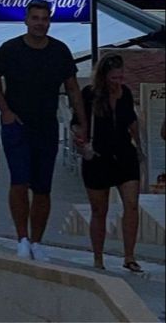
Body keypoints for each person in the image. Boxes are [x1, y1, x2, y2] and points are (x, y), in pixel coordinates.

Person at [0, 0, 86, 262]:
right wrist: (4, 111)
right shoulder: (10, 49)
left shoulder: (60, 51)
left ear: (49, 21)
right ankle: (21, 238)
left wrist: (81, 122)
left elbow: (73, 88)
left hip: (46, 126)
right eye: (35, 18)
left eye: (44, 18)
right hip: (17, 127)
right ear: (26, 20)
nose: (40, 23)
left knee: (43, 188)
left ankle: (37, 241)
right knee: (19, 182)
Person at [74, 53, 145, 273]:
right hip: (98, 156)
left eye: (120, 77)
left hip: (124, 154)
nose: (117, 82)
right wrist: (81, 143)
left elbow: (132, 122)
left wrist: (140, 150)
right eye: (114, 78)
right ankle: (98, 257)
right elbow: (78, 122)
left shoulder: (125, 95)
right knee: (99, 210)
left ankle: (129, 256)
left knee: (132, 205)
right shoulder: (90, 95)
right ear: (104, 76)